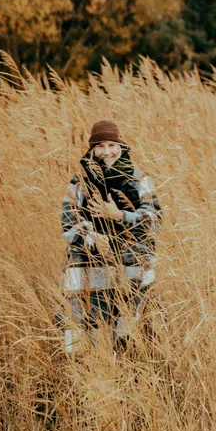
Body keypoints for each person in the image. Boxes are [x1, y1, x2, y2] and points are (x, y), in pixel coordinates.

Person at [60, 119, 161, 352]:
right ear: (92, 149)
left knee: (131, 336)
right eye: (100, 146)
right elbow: (68, 222)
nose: (107, 152)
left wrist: (119, 215)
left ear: (121, 146)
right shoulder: (80, 181)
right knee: (88, 338)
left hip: (131, 268)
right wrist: (92, 239)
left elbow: (155, 221)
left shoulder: (139, 178)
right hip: (88, 270)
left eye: (112, 145)